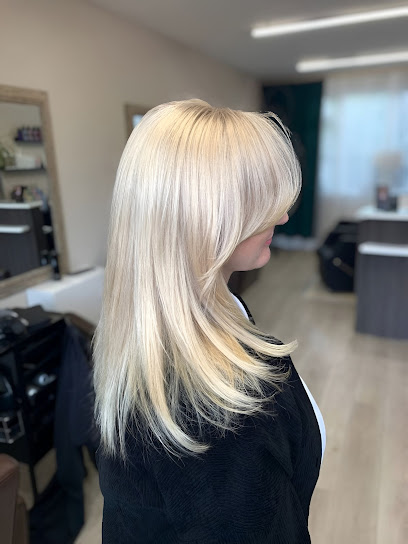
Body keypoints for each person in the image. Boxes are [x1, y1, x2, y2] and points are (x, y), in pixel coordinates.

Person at [93, 99, 325, 544]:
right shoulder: (220, 417)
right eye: (262, 200)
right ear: (203, 215)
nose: (282, 215)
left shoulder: (191, 319)